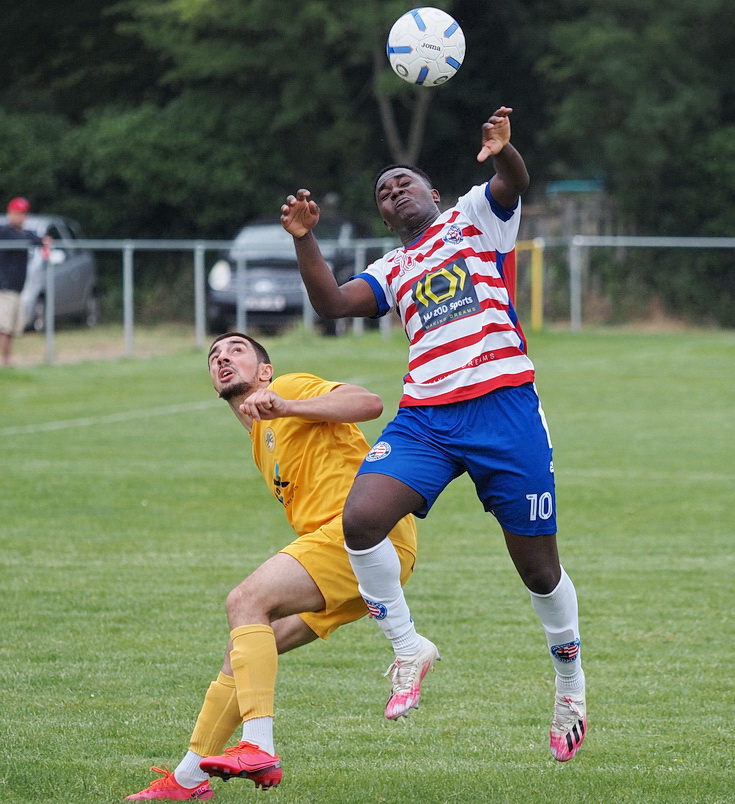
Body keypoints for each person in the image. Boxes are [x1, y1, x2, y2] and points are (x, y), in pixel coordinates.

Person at [280, 107, 586, 762]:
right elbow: (332, 305)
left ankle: (567, 681)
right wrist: (305, 239)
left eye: (403, 182)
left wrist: (504, 151)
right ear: (385, 219)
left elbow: (515, 183)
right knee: (360, 520)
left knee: (537, 570)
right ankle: (407, 646)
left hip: (504, 411)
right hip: (427, 417)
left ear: (433, 194)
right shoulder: (392, 268)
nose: (392, 191)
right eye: (382, 193)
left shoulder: (474, 218)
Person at [125, 332, 418, 800]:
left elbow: (368, 402)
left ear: (265, 371)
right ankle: (187, 779)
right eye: (214, 357)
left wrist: (287, 404)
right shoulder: (259, 440)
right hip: (353, 552)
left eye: (236, 351)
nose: (223, 359)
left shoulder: (292, 387)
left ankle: (258, 745)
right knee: (245, 649)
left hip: (361, 538)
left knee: (245, 601)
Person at [0, 197, 51, 367]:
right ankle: (5, 361)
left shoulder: (25, 233)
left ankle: (7, 361)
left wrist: (44, 241)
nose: (21, 217)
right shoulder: (5, 231)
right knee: (4, 328)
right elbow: (24, 240)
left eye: (23, 213)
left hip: (17, 289)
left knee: (12, 329)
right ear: (10, 213)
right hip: (4, 289)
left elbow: (37, 239)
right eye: (17, 213)